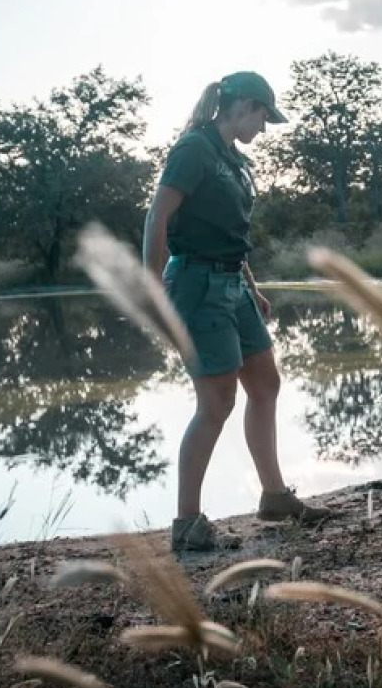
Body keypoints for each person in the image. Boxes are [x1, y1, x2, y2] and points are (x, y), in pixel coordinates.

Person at [143, 71, 334, 553]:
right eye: (264, 116)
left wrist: (252, 287)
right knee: (216, 403)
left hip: (234, 284)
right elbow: (158, 216)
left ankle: (274, 497)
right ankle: (187, 522)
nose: (265, 127)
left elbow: (226, 231)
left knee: (266, 383)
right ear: (244, 105)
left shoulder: (233, 159)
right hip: (195, 284)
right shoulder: (194, 149)